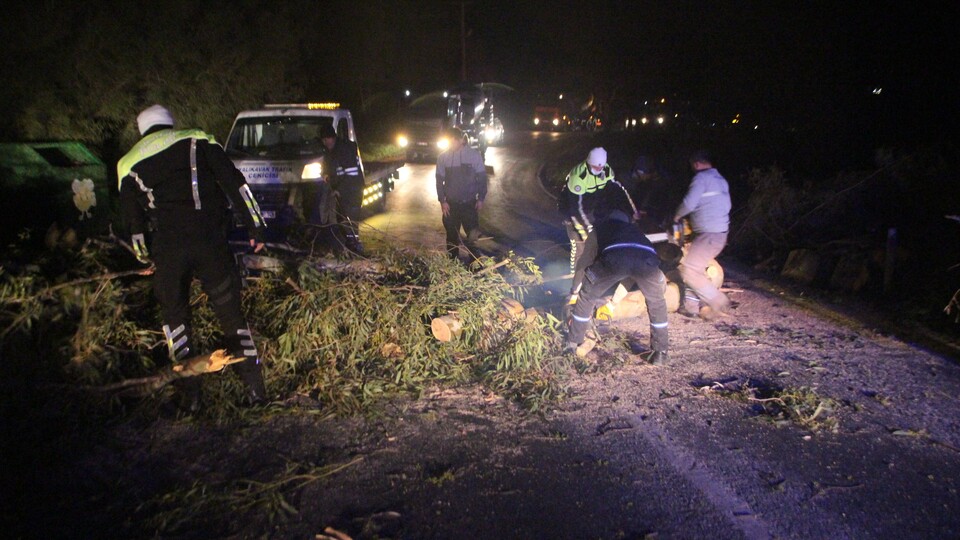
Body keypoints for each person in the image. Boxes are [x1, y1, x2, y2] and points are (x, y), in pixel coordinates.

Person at [117, 104, 268, 408]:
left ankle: (191, 399)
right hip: (210, 242)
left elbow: (132, 222)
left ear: (142, 130)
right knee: (230, 315)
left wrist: (144, 257)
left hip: (168, 251)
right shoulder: (198, 139)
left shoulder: (127, 163)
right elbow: (235, 183)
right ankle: (256, 390)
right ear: (170, 123)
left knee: (176, 321)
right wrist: (256, 226)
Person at [564, 210, 669, 365]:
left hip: (615, 259)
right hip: (648, 263)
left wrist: (574, 292)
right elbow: (631, 274)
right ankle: (660, 353)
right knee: (657, 302)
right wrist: (612, 304)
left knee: (587, 297)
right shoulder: (636, 232)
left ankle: (572, 345)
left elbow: (584, 262)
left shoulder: (599, 229)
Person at [558, 147, 639, 307]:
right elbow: (577, 208)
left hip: (593, 210)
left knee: (596, 248)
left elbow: (620, 190)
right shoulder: (578, 176)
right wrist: (586, 229)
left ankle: (591, 282)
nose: (598, 170)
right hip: (573, 213)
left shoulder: (606, 171)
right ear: (589, 163)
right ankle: (574, 288)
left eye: (600, 167)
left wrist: (633, 211)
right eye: (595, 167)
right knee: (581, 251)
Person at [673, 150, 732, 320]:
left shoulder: (701, 178)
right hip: (719, 234)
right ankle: (691, 307)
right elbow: (727, 206)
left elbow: (689, 203)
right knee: (696, 268)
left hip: (708, 235)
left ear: (696, 163)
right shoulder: (720, 180)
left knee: (689, 270)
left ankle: (719, 300)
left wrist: (676, 216)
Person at [436, 127, 487, 259]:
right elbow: (439, 181)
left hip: (469, 204)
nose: (451, 145)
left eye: (453, 142)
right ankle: (453, 263)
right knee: (452, 238)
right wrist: (443, 201)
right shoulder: (443, 158)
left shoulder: (474, 155)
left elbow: (482, 178)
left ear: (460, 140)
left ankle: (475, 264)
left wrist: (481, 198)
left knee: (472, 237)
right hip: (451, 206)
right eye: (449, 142)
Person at [319, 124, 366, 255]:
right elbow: (330, 167)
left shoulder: (345, 149)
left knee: (350, 220)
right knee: (342, 220)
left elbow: (351, 175)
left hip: (353, 190)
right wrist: (326, 174)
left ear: (333, 138)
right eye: (323, 140)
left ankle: (355, 246)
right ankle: (350, 245)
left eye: (327, 139)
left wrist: (339, 190)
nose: (325, 142)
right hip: (343, 190)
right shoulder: (331, 151)